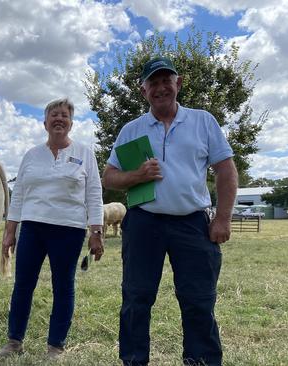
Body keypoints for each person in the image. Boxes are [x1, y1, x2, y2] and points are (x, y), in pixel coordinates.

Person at [103, 56, 238, 366]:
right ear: (143, 90)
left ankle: (201, 360)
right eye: (154, 82)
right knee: (136, 298)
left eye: (167, 80)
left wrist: (223, 217)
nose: (161, 87)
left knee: (198, 300)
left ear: (178, 84)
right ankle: (134, 360)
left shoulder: (203, 121)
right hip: (142, 223)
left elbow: (225, 170)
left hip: (193, 224)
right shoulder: (131, 129)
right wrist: (136, 176)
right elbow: (109, 177)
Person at [0, 98, 104, 359]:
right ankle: (14, 342)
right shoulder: (32, 155)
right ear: (45, 123)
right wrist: (10, 230)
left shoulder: (84, 153)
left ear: (71, 123)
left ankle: (55, 346)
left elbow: (94, 192)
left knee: (63, 286)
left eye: (64, 115)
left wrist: (96, 232)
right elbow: (19, 193)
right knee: (23, 285)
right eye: (54, 115)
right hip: (32, 227)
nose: (59, 119)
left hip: (69, 229)